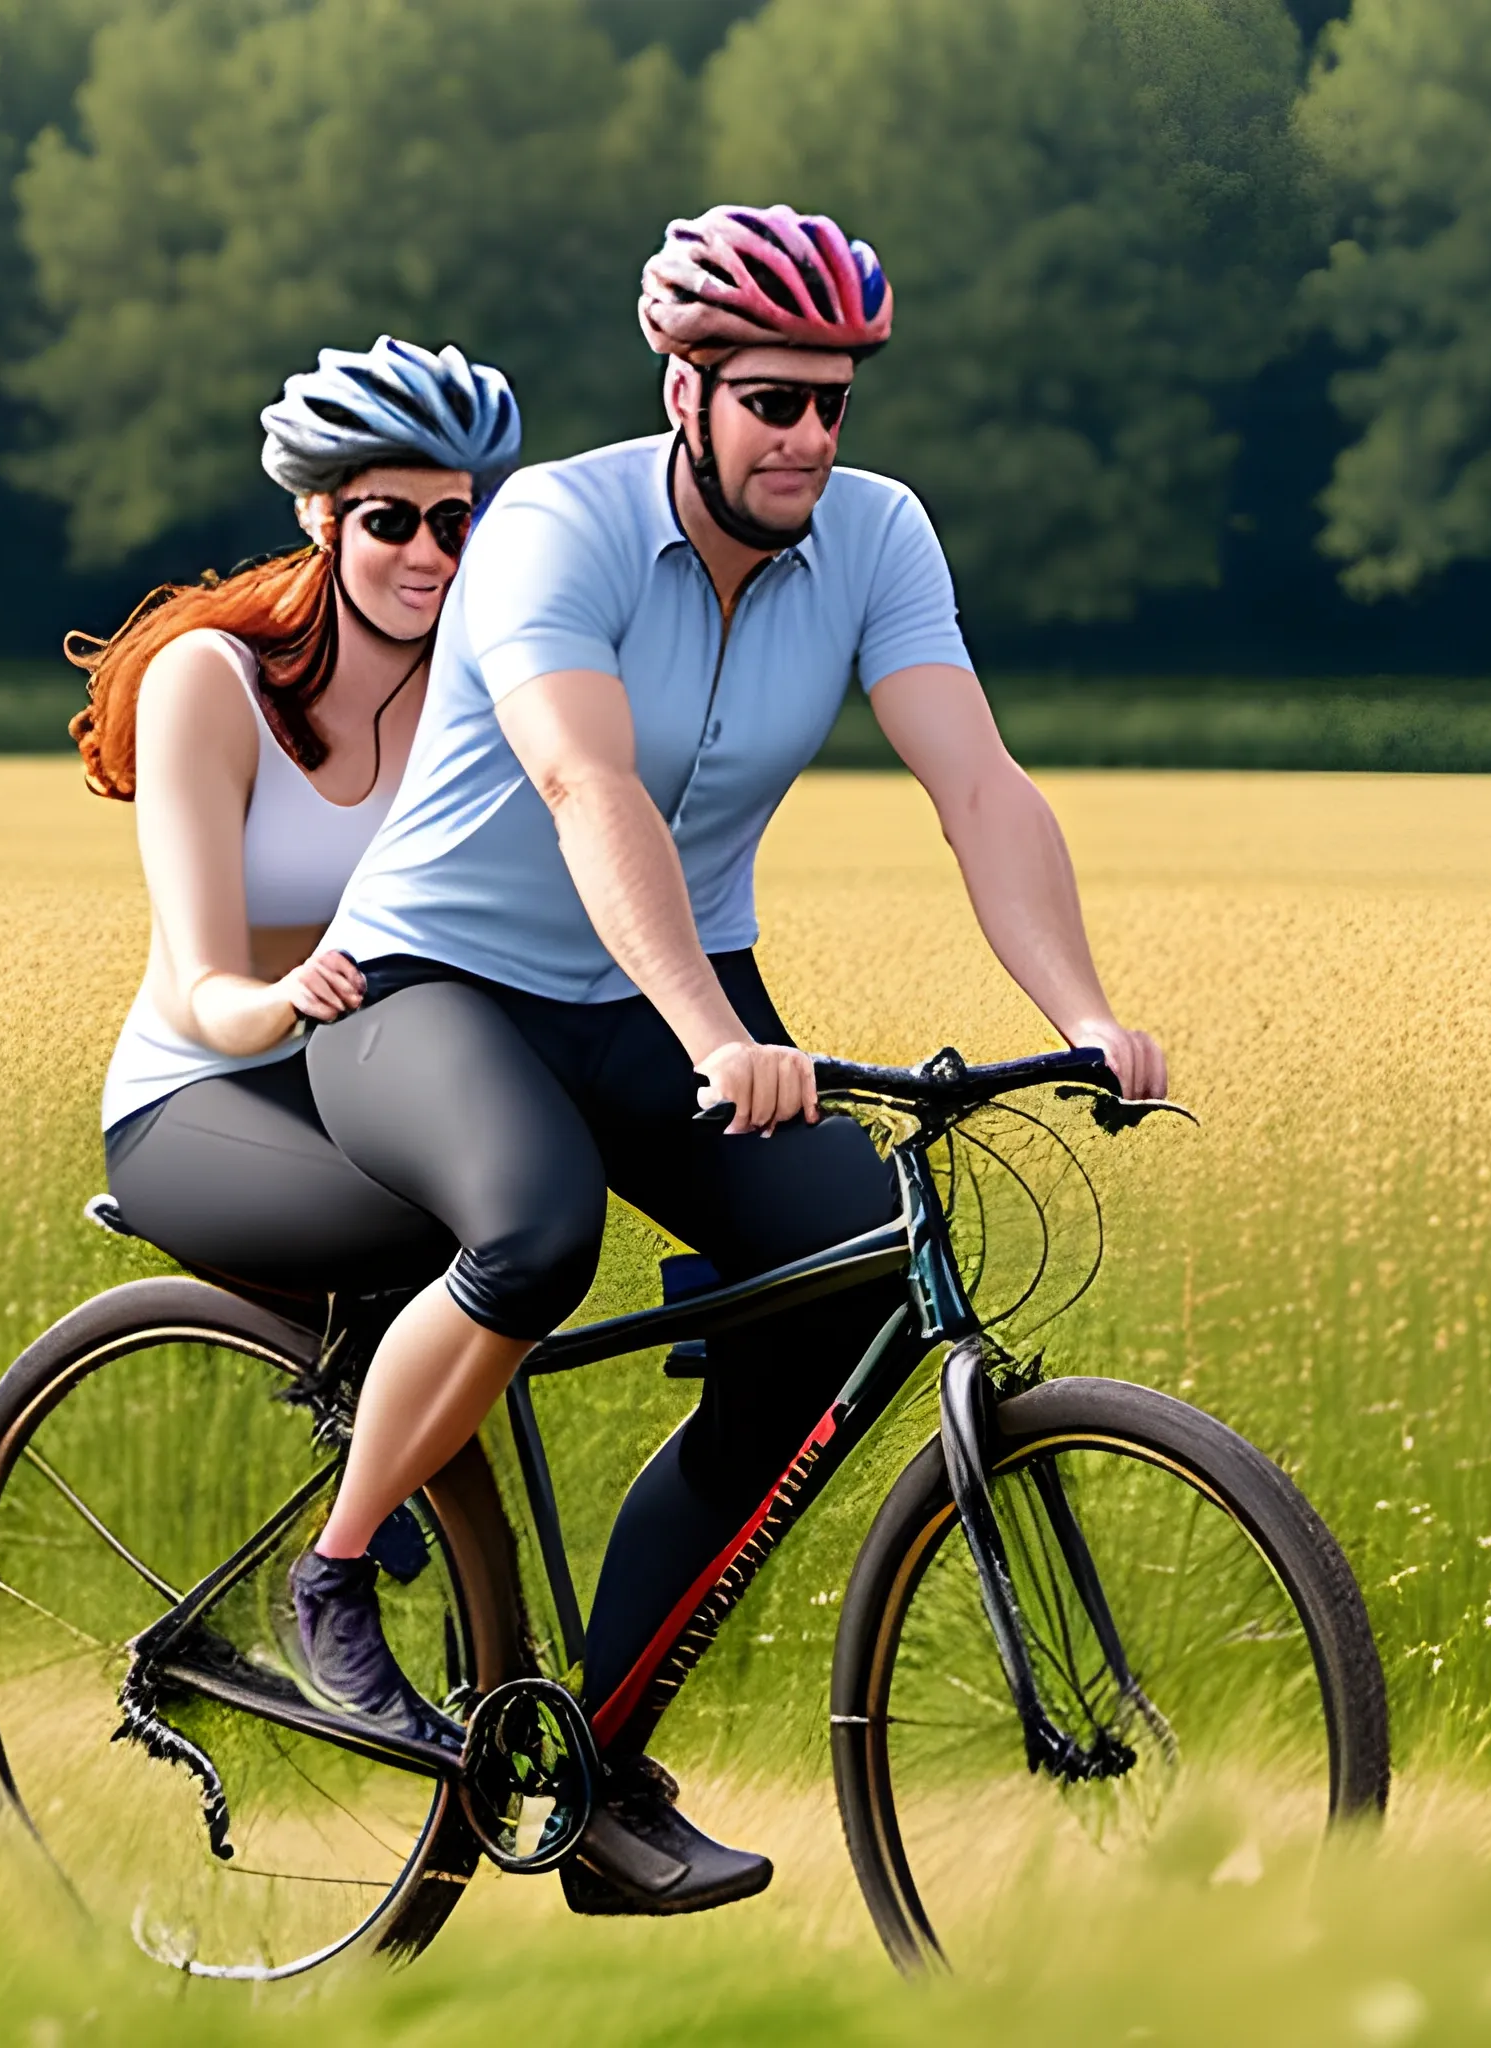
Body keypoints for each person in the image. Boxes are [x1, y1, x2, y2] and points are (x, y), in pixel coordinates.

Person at [295, 207, 1168, 1914]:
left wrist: (1079, 1005)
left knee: (836, 1286)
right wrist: (716, 1033)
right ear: (681, 388)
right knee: (535, 1235)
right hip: (435, 980)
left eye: (836, 403)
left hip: (671, 985)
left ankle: (592, 1764)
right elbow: (583, 784)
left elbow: (975, 781)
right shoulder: (555, 525)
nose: (813, 439)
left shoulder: (874, 536)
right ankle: (331, 1578)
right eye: (775, 400)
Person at [73, 337, 518, 1505]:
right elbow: (199, 982)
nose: (429, 556)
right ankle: (349, 1548)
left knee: (526, 1203)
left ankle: (433, 1591)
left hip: (360, 1075)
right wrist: (283, 996)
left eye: (457, 525)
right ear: (322, 515)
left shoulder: (472, 695)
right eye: (392, 522)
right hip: (200, 1092)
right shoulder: (210, 684)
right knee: (456, 1229)